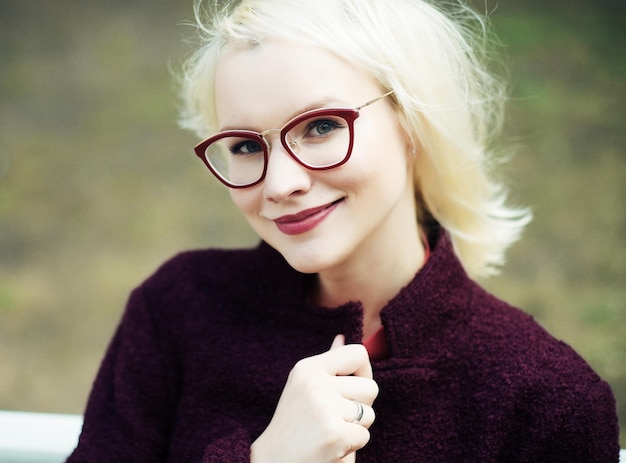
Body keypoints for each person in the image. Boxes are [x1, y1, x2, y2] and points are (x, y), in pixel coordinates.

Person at [67, 0, 620, 461]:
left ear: (412, 121)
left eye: (321, 126)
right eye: (244, 145)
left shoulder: (547, 400)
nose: (280, 184)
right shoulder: (175, 310)